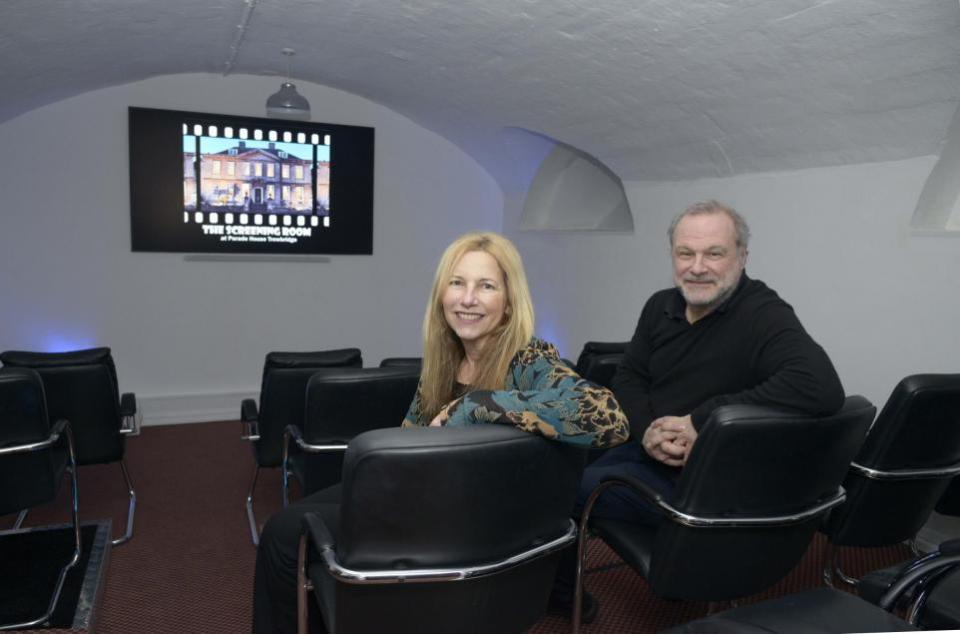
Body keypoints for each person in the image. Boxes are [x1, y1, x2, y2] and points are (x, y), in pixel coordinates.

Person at [253, 231, 629, 633]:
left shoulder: (529, 356)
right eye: (457, 283)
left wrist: (477, 405)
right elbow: (411, 435)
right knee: (287, 528)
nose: (467, 299)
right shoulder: (446, 358)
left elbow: (609, 417)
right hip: (420, 498)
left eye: (486, 286)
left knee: (284, 535)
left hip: (465, 520)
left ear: (508, 303)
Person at [551, 200, 846, 620]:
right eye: (685, 253)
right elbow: (630, 377)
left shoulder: (762, 313)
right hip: (647, 455)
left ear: (742, 257)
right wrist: (649, 430)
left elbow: (820, 385)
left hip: (703, 489)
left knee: (551, 493)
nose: (697, 267)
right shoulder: (659, 306)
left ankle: (561, 600)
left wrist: (702, 421)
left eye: (714, 253)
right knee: (557, 466)